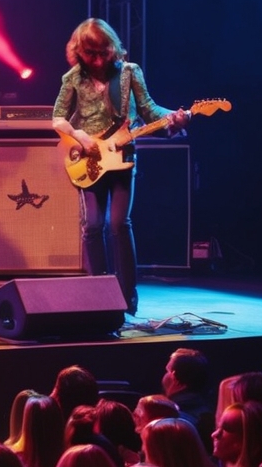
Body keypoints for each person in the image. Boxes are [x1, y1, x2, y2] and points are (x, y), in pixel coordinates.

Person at [51, 17, 188, 314]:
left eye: (104, 53)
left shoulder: (129, 73)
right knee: (93, 226)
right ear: (79, 51)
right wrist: (79, 135)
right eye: (91, 54)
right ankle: (98, 297)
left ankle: (127, 298)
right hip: (88, 160)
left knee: (118, 224)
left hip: (123, 157)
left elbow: (150, 109)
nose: (99, 60)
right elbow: (58, 117)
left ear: (113, 47)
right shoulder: (72, 77)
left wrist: (173, 119)